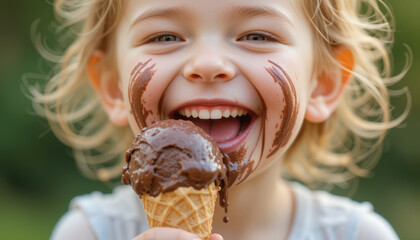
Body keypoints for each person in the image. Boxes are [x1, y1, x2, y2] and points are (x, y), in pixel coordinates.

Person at [28, 0, 410, 239]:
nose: (208, 65)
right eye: (164, 36)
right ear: (112, 86)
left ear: (322, 83)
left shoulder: (359, 236)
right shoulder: (88, 234)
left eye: (257, 35)